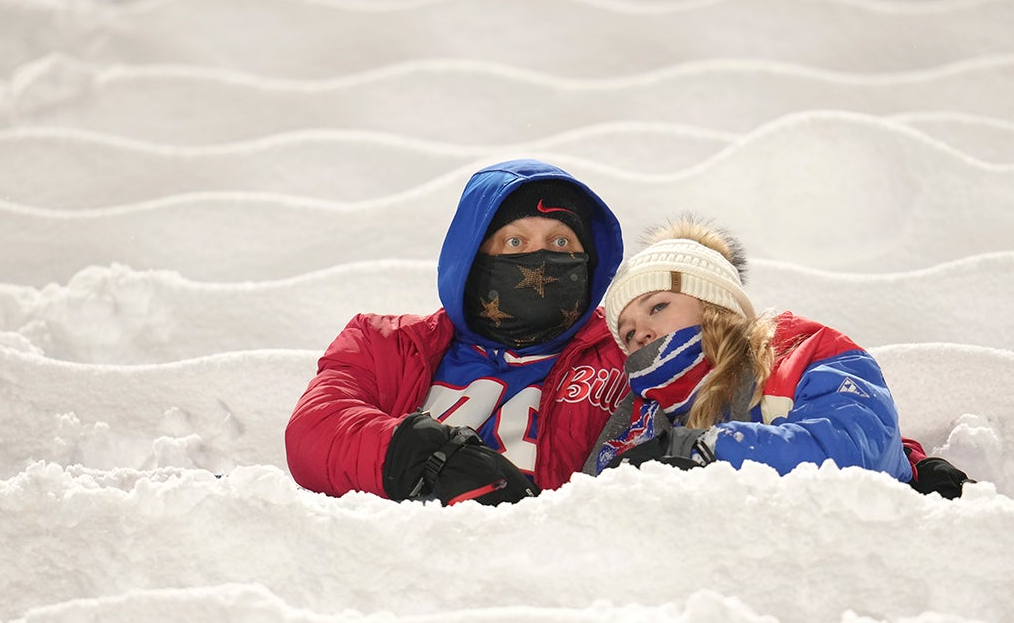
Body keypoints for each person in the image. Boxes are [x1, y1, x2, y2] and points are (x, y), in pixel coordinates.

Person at [285, 159, 631, 506]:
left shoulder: (624, 349)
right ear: (471, 256)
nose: (540, 257)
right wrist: (440, 459)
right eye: (514, 241)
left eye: (560, 242)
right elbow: (315, 432)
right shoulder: (386, 343)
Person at [582, 216, 971, 498]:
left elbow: (855, 453)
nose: (642, 334)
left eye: (658, 306)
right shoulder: (638, 418)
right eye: (628, 333)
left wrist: (709, 449)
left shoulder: (805, 354)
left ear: (713, 301)